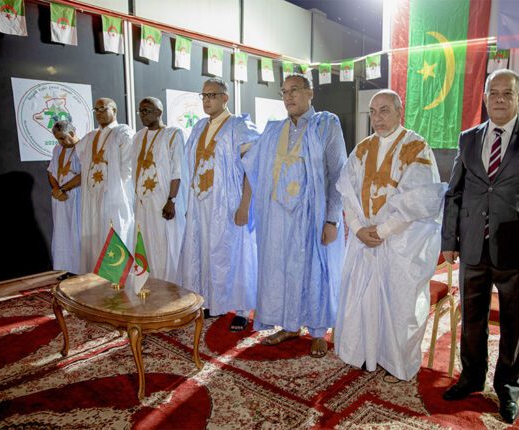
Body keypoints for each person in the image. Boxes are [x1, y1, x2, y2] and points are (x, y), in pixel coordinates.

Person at [441, 69, 519, 424]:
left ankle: (507, 386)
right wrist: (449, 240)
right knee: (472, 319)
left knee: (515, 322)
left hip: (517, 249)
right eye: (493, 92)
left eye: (507, 93)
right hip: (473, 246)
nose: (499, 99)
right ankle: (471, 377)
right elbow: (454, 192)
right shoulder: (468, 139)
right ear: (484, 97)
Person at [334, 90, 446, 382]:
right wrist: (358, 229)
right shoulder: (362, 148)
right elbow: (346, 192)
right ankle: (362, 353)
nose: (378, 118)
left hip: (400, 243)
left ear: (399, 111)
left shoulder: (416, 147)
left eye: (384, 110)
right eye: (373, 112)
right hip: (364, 241)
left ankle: (396, 363)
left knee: (399, 304)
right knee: (362, 299)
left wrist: (382, 231)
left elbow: (419, 201)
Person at [242, 73, 346, 358]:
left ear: (310, 93)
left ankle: (318, 331)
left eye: (295, 90)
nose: (288, 96)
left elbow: (338, 173)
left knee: (315, 272)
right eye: (284, 92)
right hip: (278, 218)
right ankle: (289, 325)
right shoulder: (274, 130)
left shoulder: (326, 124)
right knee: (282, 271)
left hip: (312, 217)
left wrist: (332, 219)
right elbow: (252, 161)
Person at [178, 78, 260, 331]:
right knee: (205, 252)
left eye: (212, 95)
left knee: (236, 254)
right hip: (201, 204)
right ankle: (214, 302)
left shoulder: (239, 126)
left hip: (229, 204)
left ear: (225, 98)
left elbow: (253, 169)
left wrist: (245, 205)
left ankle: (243, 309)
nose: (206, 100)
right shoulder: (199, 127)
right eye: (203, 95)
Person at [77, 98, 136, 273]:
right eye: (96, 109)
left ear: (114, 110)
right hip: (94, 195)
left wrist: (114, 186)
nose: (99, 113)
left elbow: (128, 166)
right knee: (95, 234)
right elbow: (79, 153)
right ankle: (96, 278)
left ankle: (117, 277)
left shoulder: (123, 132)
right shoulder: (91, 136)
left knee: (116, 231)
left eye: (103, 108)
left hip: (115, 195)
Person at [131, 97, 187, 283]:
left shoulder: (173, 134)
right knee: (146, 243)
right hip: (143, 202)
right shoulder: (138, 137)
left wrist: (172, 200)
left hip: (164, 201)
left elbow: (178, 170)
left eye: (147, 110)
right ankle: (149, 284)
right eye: (140, 111)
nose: (142, 115)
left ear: (159, 112)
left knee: (165, 244)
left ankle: (171, 286)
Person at [48, 120, 82, 280]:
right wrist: (56, 189)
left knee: (77, 232)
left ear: (72, 133)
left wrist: (63, 189)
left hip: (77, 196)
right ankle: (70, 268)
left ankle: (81, 268)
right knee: (64, 233)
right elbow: (51, 171)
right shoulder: (57, 149)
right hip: (60, 197)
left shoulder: (83, 148)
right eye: (57, 139)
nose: (60, 142)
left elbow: (84, 175)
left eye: (62, 138)